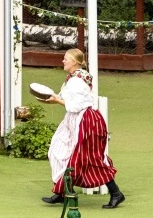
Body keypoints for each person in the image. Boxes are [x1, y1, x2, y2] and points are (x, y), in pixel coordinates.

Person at [42, 48, 125, 208]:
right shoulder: (73, 78)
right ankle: (62, 191)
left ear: (74, 62)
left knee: (90, 159)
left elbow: (79, 104)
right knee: (58, 148)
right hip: (75, 120)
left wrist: (57, 102)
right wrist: (55, 99)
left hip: (86, 122)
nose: (63, 61)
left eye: (66, 59)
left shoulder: (76, 81)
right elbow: (70, 101)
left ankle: (116, 193)